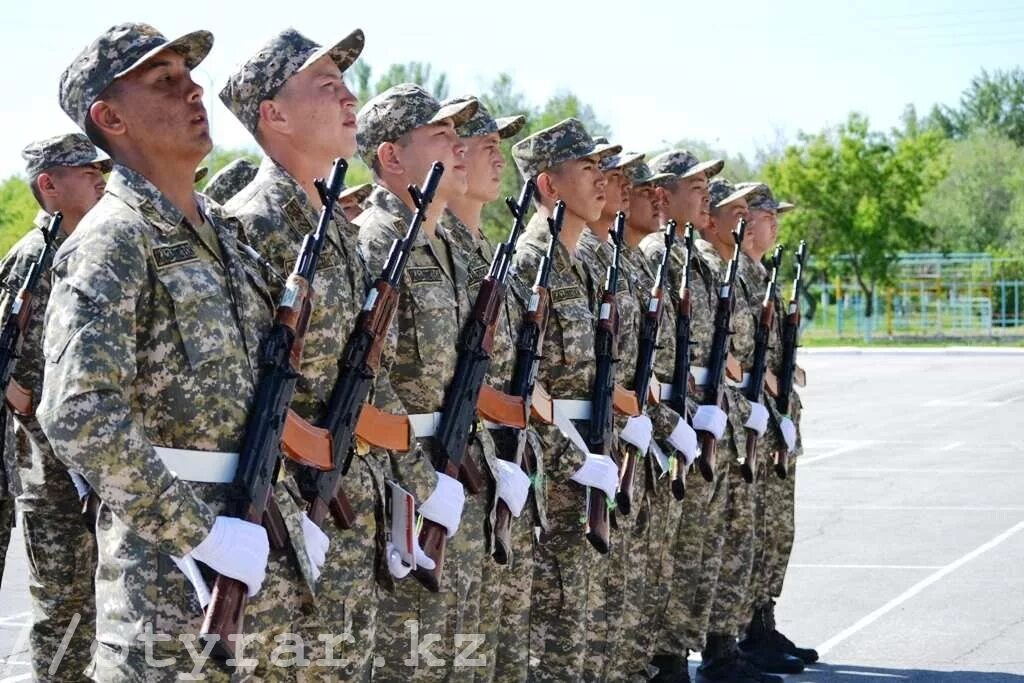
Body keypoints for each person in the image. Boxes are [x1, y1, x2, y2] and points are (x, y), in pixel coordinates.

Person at [41, 22, 318, 679]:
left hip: (266, 573)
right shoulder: (114, 240)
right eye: (165, 82)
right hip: (170, 603)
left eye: (189, 75)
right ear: (111, 118)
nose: (194, 90)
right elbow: (78, 413)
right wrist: (202, 533)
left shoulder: (224, 234)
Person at [219, 26, 393, 679]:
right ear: (275, 114)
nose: (351, 96)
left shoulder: (332, 229)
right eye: (327, 85)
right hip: (271, 521)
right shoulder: (251, 226)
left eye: (346, 83)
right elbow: (234, 396)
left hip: (333, 514)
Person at [355, 83, 479, 681]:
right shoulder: (379, 241)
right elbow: (360, 376)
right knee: (413, 656)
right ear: (391, 156)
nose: (458, 147)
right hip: (404, 487)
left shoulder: (446, 241)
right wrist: (421, 480)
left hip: (453, 468)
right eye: (440, 135)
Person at [509, 117, 621, 681]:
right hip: (556, 466)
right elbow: (523, 381)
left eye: (601, 168)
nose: (601, 180)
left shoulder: (584, 259)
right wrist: (576, 459)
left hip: (594, 449)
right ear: (548, 186)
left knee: (585, 615)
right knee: (552, 621)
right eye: (586, 169)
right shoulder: (532, 263)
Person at [0, 132, 109, 680]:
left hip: (106, 464)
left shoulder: (102, 248)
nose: (99, 176)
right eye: (85, 170)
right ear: (49, 185)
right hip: (51, 470)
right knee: (63, 609)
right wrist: (24, 403)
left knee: (107, 608)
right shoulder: (29, 258)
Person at [436, 95, 536, 683]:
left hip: (496, 461)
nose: (497, 158)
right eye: (484, 145)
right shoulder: (421, 247)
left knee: (494, 636)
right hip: (448, 466)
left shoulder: (484, 254)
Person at [637, 150, 727, 683]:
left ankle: (677, 653)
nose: (705, 194)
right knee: (663, 545)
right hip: (663, 415)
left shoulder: (692, 255)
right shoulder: (655, 254)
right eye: (694, 185)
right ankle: (663, 658)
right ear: (663, 195)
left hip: (689, 413)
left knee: (686, 546)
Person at [734, 183, 818, 670]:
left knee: (772, 530)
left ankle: (762, 623)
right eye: (768, 215)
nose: (774, 223)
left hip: (772, 418)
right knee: (750, 530)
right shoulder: (733, 276)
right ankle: (745, 634)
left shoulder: (759, 275)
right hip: (749, 418)